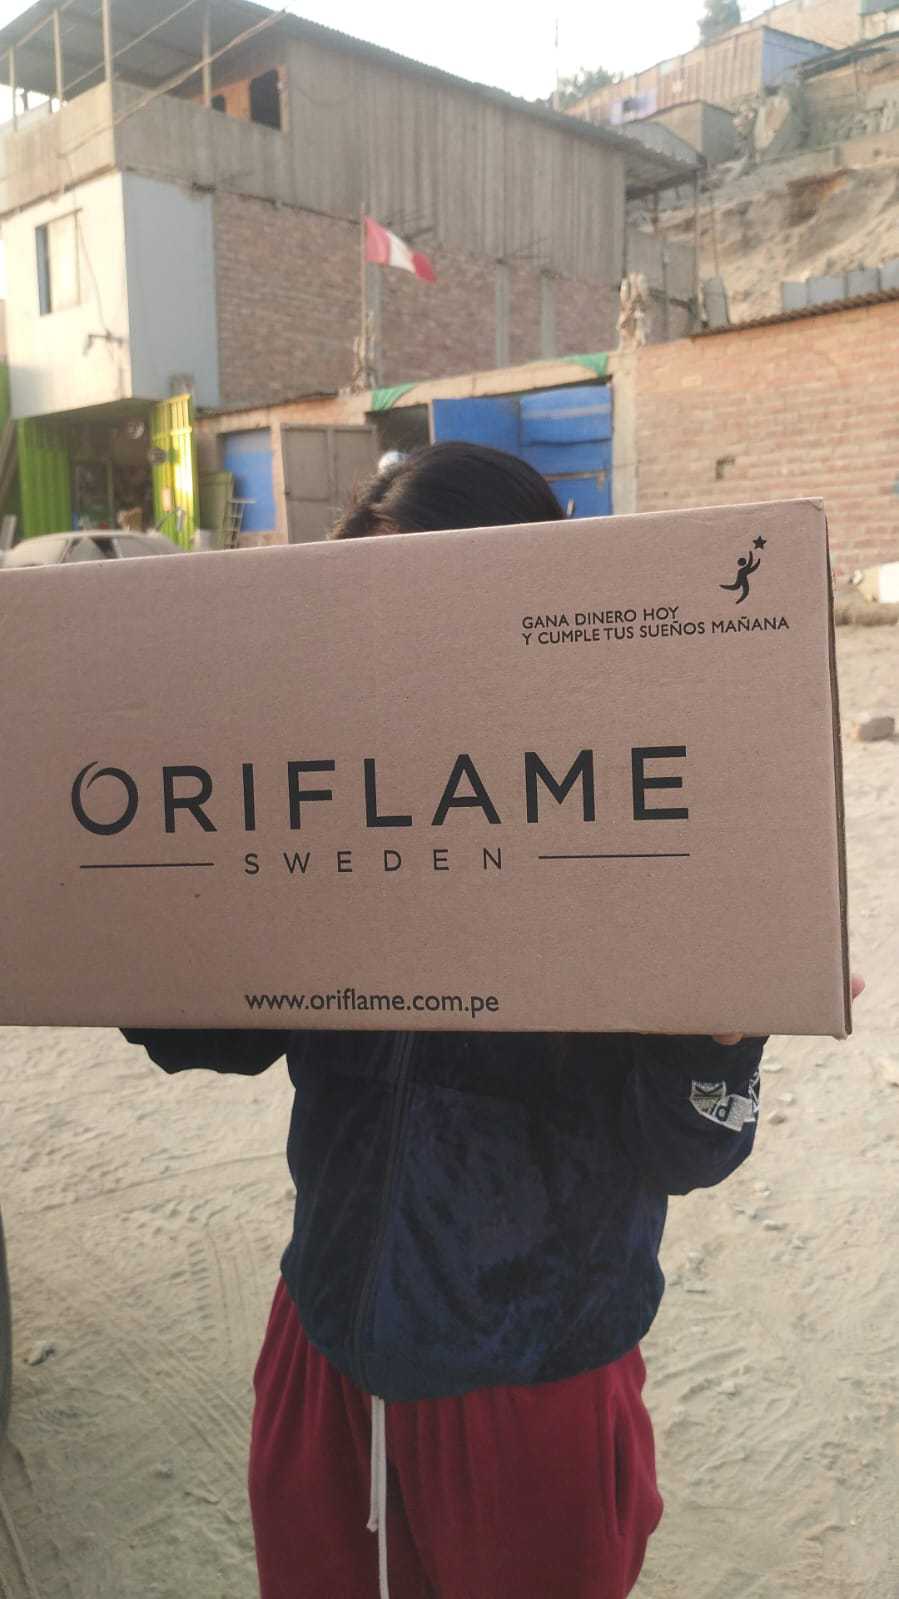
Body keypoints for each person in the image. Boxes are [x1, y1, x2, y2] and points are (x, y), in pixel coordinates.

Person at [121, 445, 850, 1599]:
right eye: (371, 606)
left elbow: (685, 1150)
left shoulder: (621, 821)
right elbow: (219, 1033)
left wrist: (720, 1040)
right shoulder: (326, 798)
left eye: (437, 601)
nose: (402, 643)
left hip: (531, 1385)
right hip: (327, 1340)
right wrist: (133, 924)